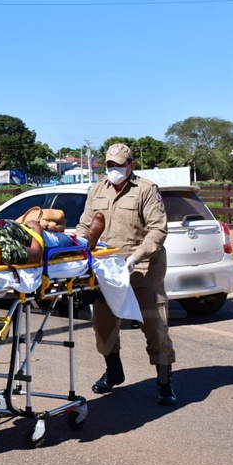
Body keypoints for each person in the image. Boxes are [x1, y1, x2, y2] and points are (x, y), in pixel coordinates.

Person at [75, 143, 177, 405]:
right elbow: (86, 226)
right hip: (107, 269)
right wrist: (77, 243)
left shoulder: (145, 189)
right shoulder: (97, 189)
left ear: (131, 165)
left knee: (154, 326)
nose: (114, 170)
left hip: (143, 268)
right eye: (110, 165)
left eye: (119, 165)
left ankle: (164, 382)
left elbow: (158, 230)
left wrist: (135, 258)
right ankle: (114, 371)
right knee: (103, 325)